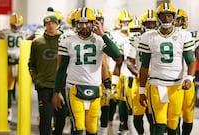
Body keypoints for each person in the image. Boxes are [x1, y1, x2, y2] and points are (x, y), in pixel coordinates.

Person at [52, 7, 122, 135]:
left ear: (93, 23)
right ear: (76, 24)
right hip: (74, 87)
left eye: (87, 22)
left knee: (92, 129)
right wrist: (56, 91)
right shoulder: (67, 41)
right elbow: (61, 69)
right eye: (81, 23)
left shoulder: (100, 40)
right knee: (78, 128)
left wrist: (103, 34)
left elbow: (117, 55)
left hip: (95, 87)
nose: (84, 26)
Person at [138, 3, 195, 135]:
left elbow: (191, 61)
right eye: (163, 16)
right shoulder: (148, 37)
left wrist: (190, 78)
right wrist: (141, 90)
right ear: (158, 18)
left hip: (177, 85)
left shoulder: (184, 35)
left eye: (169, 16)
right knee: (159, 123)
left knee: (173, 124)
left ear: (174, 17)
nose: (166, 19)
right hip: (157, 85)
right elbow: (144, 66)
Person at [28, 7, 63, 135]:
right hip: (44, 86)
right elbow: (31, 63)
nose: (51, 25)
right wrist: (36, 79)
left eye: (53, 23)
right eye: (48, 23)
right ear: (44, 25)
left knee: (61, 118)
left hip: (61, 86)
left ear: (57, 24)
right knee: (45, 119)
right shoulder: (37, 42)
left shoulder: (64, 40)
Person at [0, 12, 29, 126]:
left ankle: (18, 111)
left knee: (21, 88)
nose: (16, 27)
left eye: (18, 25)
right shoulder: (25, 33)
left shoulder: (4, 33)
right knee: (9, 88)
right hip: (11, 63)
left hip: (18, 63)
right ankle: (9, 110)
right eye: (14, 25)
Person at [174, 8, 195, 135]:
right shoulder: (163, 35)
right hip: (173, 80)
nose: (175, 22)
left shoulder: (190, 36)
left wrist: (191, 77)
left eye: (178, 19)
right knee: (174, 114)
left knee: (188, 115)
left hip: (188, 78)